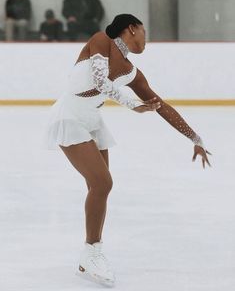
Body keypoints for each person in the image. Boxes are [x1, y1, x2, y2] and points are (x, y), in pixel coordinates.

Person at [44, 14, 211, 286]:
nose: (146, 39)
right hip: (69, 117)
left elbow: (161, 106)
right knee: (102, 183)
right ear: (131, 28)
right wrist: (132, 105)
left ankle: (91, 255)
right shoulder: (101, 40)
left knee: (100, 187)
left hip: (92, 121)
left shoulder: (132, 72)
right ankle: (92, 253)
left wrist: (195, 137)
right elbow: (99, 81)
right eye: (144, 31)